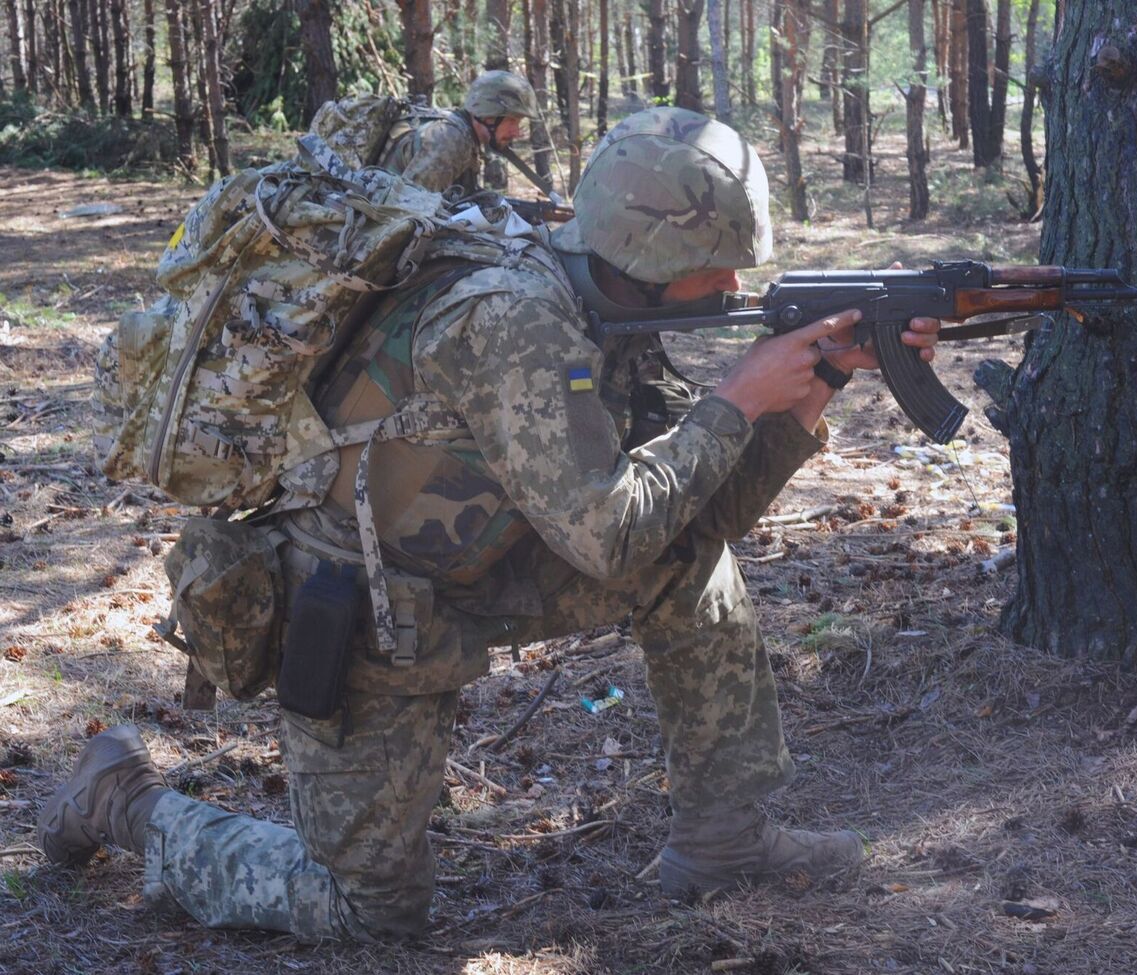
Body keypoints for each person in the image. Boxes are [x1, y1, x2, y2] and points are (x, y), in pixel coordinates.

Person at [37, 107, 942, 943]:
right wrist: (736, 399)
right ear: (649, 254)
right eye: (718, 262)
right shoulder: (512, 318)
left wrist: (814, 384)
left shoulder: (604, 293)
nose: (736, 284)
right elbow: (609, 535)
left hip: (488, 560)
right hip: (363, 611)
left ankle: (725, 840)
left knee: (690, 559)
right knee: (365, 909)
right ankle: (123, 796)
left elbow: (703, 514)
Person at [380, 69, 540, 195]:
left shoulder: (464, 133)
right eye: (512, 121)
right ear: (489, 115)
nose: (517, 132)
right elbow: (408, 210)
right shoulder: (451, 139)